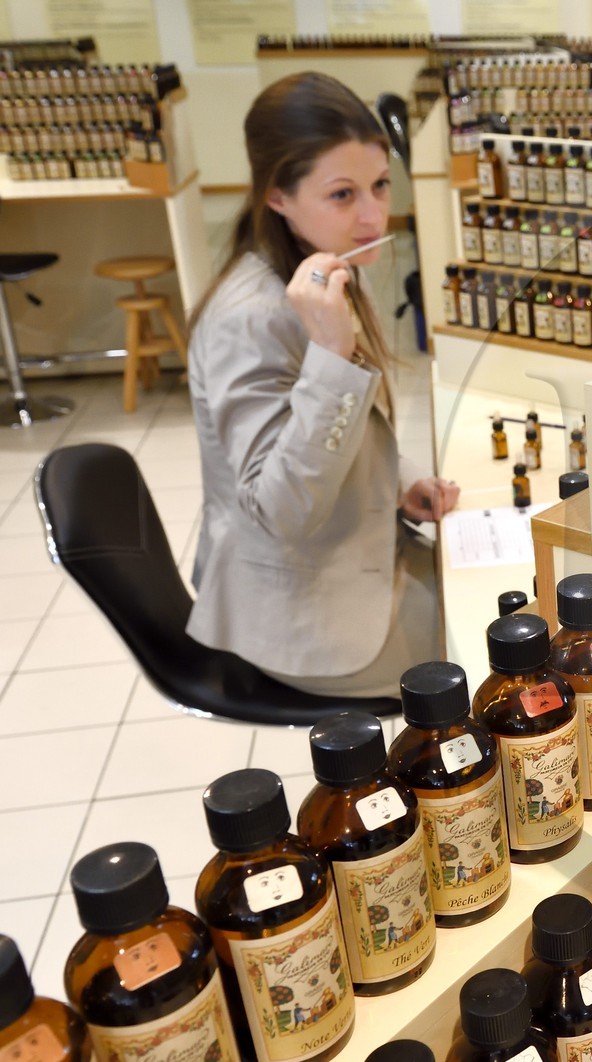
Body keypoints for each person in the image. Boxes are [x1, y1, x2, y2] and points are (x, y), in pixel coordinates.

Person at [185, 72, 457, 698]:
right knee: (511, 644)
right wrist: (332, 354)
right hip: (306, 612)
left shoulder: (323, 267)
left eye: (381, 185)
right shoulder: (248, 317)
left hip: (359, 553)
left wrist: (400, 481)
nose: (372, 216)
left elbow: (346, 431)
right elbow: (281, 511)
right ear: (278, 195)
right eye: (342, 195)